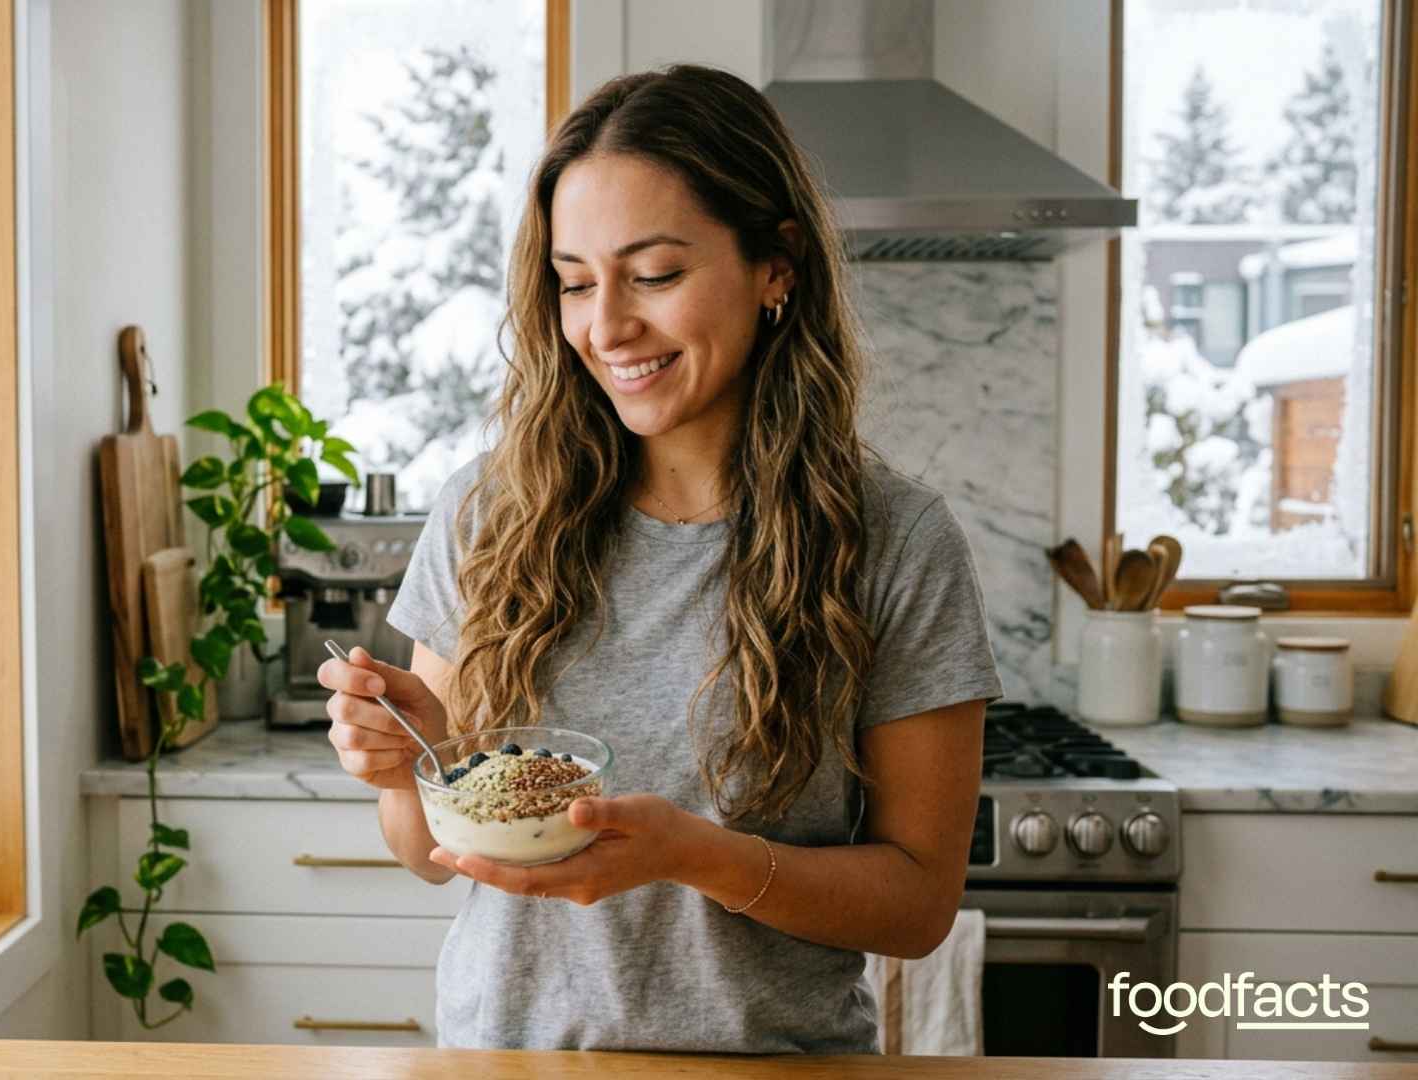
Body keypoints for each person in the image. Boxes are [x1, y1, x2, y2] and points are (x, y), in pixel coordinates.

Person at [316, 63, 1001, 1054]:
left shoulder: (895, 540)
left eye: (655, 276)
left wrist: (697, 856)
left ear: (776, 266)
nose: (607, 327)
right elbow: (429, 851)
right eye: (575, 283)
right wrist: (408, 767)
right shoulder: (488, 511)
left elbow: (917, 906)